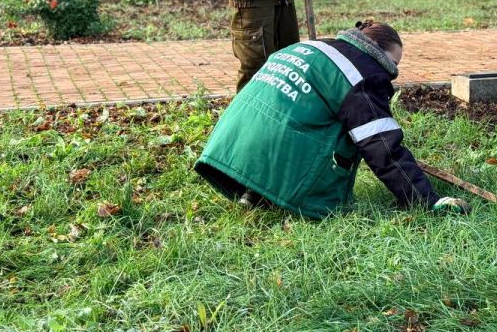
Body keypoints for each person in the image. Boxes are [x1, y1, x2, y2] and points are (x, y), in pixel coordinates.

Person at [194, 20, 470, 218]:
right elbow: (382, 146)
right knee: (350, 129)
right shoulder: (364, 75)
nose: (392, 71)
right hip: (274, 150)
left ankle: (256, 192)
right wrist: (426, 200)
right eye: (393, 64)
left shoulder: (313, 47)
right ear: (376, 51)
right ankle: (281, 193)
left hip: (226, 149)